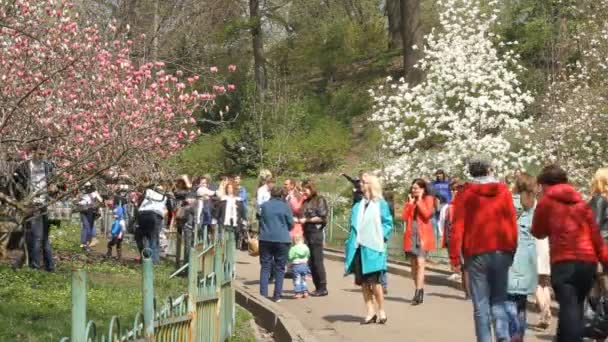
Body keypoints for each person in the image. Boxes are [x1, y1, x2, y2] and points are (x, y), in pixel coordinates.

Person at [532, 165, 608, 342]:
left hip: (564, 261)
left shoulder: (546, 203)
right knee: (575, 308)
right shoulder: (581, 203)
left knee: (568, 309)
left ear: (544, 184)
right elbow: (595, 236)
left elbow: (537, 231)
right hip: (587, 262)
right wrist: (604, 258)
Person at [449, 157, 518, 342]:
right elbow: (511, 221)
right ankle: (503, 336)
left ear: (471, 173)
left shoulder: (465, 194)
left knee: (480, 304)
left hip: (476, 252)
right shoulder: (503, 191)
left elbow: (457, 226)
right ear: (489, 170)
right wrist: (512, 248)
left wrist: (455, 257)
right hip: (502, 249)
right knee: (499, 299)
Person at [344, 175, 392, 324]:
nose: (361, 185)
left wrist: (380, 237)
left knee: (375, 282)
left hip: (373, 247)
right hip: (359, 246)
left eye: (364, 182)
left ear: (371, 185)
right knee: (363, 282)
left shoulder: (380, 204)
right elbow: (353, 226)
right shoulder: (358, 205)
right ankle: (370, 311)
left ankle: (381, 309)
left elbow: (387, 223)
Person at [505, 173, 538, 341]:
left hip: (512, 254)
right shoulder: (535, 205)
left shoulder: (510, 202)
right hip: (529, 258)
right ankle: (519, 336)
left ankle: (514, 335)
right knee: (521, 302)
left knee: (509, 299)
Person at [14, 144, 55, 271]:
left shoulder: (48, 166)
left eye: (44, 154)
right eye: (39, 154)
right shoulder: (24, 167)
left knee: (43, 237)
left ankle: (43, 267)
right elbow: (16, 184)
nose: (42, 157)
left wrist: (53, 187)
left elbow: (56, 184)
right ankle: (40, 266)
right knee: (37, 236)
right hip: (33, 204)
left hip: (46, 204)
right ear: (32, 152)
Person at [402, 178, 436, 305]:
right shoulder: (410, 200)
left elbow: (427, 215)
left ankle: (418, 292)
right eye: (413, 188)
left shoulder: (428, 199)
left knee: (420, 263)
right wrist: (410, 204)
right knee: (413, 266)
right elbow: (404, 217)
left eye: (416, 188)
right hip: (411, 234)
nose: (414, 190)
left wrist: (420, 199)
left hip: (423, 235)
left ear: (423, 189)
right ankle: (418, 288)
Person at [259, 187, 294, 302]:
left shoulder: (264, 206)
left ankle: (263, 295)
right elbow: (291, 224)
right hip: (282, 239)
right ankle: (277, 296)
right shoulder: (285, 206)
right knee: (280, 268)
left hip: (265, 238)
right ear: (281, 195)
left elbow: (260, 220)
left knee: (265, 267)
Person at [301, 180, 329, 296]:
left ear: (311, 189)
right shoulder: (306, 201)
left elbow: (322, 217)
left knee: (317, 261)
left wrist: (307, 220)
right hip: (307, 232)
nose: (304, 192)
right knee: (311, 261)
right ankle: (317, 287)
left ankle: (323, 287)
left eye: (305, 190)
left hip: (316, 232)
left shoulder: (319, 200)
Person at [137, 184, 169, 264]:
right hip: (154, 215)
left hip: (142, 214)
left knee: (145, 237)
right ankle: (154, 261)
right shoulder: (164, 196)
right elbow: (170, 207)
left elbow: (139, 202)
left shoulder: (148, 192)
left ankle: (146, 258)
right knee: (153, 238)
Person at [215, 181, 247, 248]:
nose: (230, 190)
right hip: (225, 222)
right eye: (228, 188)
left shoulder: (238, 200)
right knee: (225, 243)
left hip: (235, 223)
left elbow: (243, 212)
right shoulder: (223, 200)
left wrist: (244, 222)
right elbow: (218, 213)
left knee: (234, 242)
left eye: (231, 188)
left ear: (234, 189)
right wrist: (215, 220)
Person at [76, 182, 102, 251]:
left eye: (88, 186)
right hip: (84, 211)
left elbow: (100, 201)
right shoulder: (82, 193)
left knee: (88, 227)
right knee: (86, 227)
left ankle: (86, 244)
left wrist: (95, 204)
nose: (87, 188)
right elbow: (77, 201)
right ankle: (84, 244)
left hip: (90, 211)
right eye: (86, 187)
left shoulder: (94, 193)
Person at [289, 234, 311, 299]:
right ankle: (305, 292)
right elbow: (308, 255)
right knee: (303, 279)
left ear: (294, 241)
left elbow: (290, 257)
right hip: (304, 265)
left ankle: (298, 293)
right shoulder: (306, 247)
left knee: (297, 279)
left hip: (296, 266)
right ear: (302, 240)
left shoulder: (293, 248)